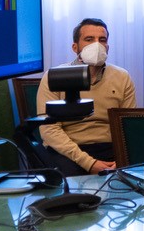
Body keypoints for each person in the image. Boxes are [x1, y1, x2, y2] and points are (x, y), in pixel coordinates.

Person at [35, 17, 136, 175]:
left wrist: (124, 157)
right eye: (89, 39)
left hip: (110, 148)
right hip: (69, 149)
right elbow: (49, 130)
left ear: (108, 46)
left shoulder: (122, 77)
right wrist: (89, 163)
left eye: (102, 40)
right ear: (75, 47)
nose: (97, 45)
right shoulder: (54, 77)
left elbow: (129, 125)